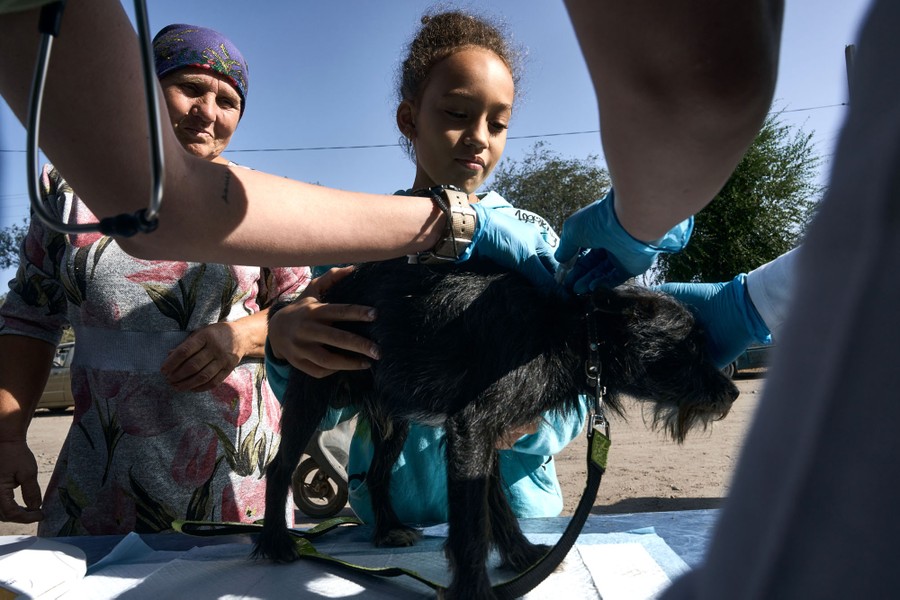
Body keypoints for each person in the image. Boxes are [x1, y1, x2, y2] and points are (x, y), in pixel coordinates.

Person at [265, 10, 591, 525]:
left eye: (498, 123)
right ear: (409, 119)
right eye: (458, 113)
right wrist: (283, 343)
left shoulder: (534, 246)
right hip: (394, 528)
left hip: (517, 521)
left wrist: (532, 419)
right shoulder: (358, 243)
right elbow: (323, 401)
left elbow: (576, 386)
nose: (480, 136)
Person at [0, 1, 559, 291]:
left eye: (227, 100)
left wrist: (257, 335)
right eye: (188, 88)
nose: (478, 138)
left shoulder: (531, 239)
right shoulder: (349, 234)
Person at [0, 24, 310, 536]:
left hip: (233, 485)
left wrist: (244, 336)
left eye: (227, 101)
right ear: (144, 89)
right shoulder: (66, 190)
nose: (207, 111)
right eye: (190, 88)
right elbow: (30, 317)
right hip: (99, 477)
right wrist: (8, 435)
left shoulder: (256, 202)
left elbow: (304, 310)